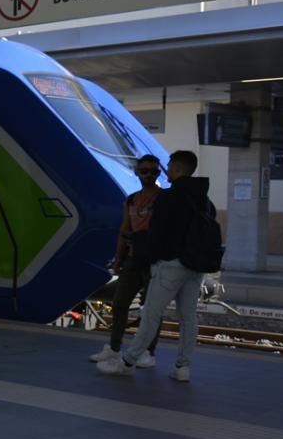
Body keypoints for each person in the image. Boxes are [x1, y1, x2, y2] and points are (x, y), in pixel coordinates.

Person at [98, 150, 215, 383]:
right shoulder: (204, 199)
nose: (167, 171)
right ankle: (183, 367)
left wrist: (151, 257)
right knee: (188, 317)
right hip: (196, 266)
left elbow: (157, 234)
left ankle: (128, 361)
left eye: (170, 166)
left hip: (171, 265)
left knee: (150, 312)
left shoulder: (168, 198)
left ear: (178, 170)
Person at [90, 155, 163, 367]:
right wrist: (118, 258)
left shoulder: (164, 198)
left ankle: (147, 352)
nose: (149, 175)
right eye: (144, 171)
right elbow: (124, 230)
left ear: (159, 173)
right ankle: (113, 349)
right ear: (137, 172)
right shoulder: (131, 200)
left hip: (155, 261)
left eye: (153, 171)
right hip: (133, 258)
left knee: (150, 308)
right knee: (120, 303)